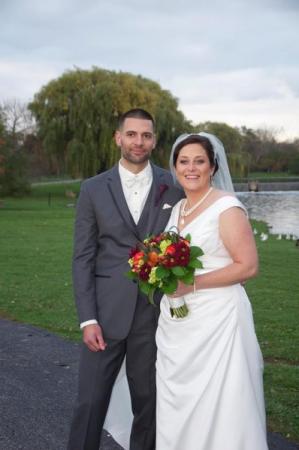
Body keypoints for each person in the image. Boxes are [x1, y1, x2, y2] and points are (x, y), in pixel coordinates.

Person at [67, 108, 183, 450]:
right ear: (118, 137)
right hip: (104, 314)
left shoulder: (172, 186)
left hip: (153, 314)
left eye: (146, 135)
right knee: (90, 403)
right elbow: (83, 257)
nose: (139, 142)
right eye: (131, 134)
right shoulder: (92, 189)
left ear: (154, 140)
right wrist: (88, 318)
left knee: (149, 404)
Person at [155, 132, 269, 450]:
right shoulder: (177, 208)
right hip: (178, 325)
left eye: (199, 161)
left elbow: (247, 266)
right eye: (184, 161)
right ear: (175, 167)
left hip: (218, 322)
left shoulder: (227, 207)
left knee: (223, 403)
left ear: (213, 166)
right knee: (178, 403)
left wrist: (190, 284)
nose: (191, 168)